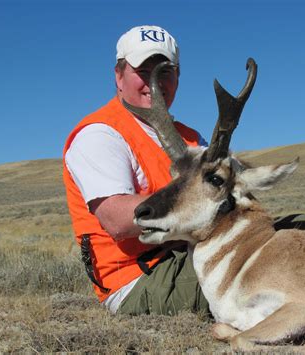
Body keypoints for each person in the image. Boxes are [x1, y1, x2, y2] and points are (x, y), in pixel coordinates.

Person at [63, 25, 209, 315]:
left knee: (301, 228)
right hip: (139, 280)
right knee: (269, 266)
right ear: (118, 76)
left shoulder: (191, 137)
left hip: (192, 254)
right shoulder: (100, 134)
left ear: (178, 77)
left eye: (165, 71)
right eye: (143, 71)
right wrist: (201, 200)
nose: (154, 82)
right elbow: (118, 219)